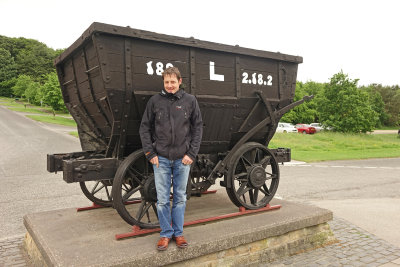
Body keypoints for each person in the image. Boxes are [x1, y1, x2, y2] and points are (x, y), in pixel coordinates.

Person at [139, 67, 203, 251]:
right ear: (163, 82)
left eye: (172, 82)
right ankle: (166, 234)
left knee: (181, 197)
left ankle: (179, 233)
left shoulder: (190, 101)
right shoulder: (155, 101)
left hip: (183, 159)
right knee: (162, 199)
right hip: (162, 159)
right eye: (166, 82)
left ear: (179, 81)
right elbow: (144, 128)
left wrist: (191, 154)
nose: (169, 85)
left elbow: (198, 128)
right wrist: (150, 154)